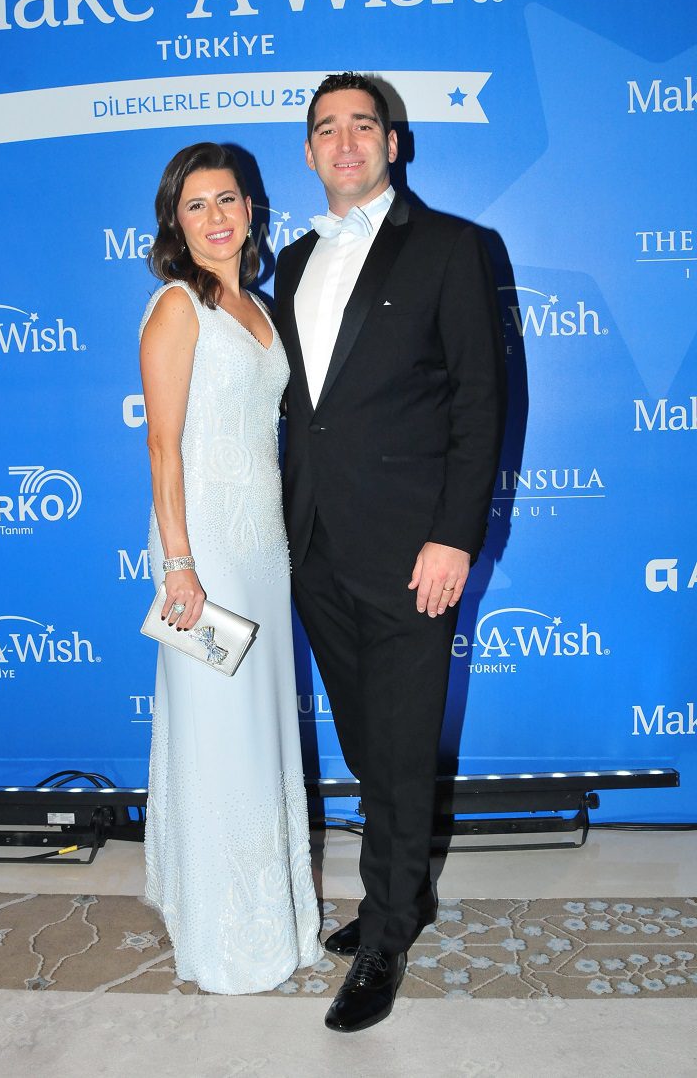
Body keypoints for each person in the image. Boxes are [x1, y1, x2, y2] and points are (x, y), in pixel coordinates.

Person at [274, 73, 507, 1032]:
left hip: (415, 549)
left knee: (403, 747)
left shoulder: (451, 246)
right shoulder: (291, 259)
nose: (345, 142)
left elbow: (481, 402)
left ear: (393, 143)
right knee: (370, 740)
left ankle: (385, 936)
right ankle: (400, 894)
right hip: (315, 544)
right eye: (326, 128)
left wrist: (454, 535)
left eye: (362, 125)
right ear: (308, 152)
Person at [139, 141, 322, 994]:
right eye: (196, 205)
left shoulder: (259, 307)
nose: (216, 217)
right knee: (218, 735)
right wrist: (179, 564)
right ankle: (224, 938)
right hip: (203, 548)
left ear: (251, 210)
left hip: (261, 545)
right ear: (174, 223)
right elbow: (163, 445)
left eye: (228, 199)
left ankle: (272, 918)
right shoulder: (177, 307)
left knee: (258, 730)